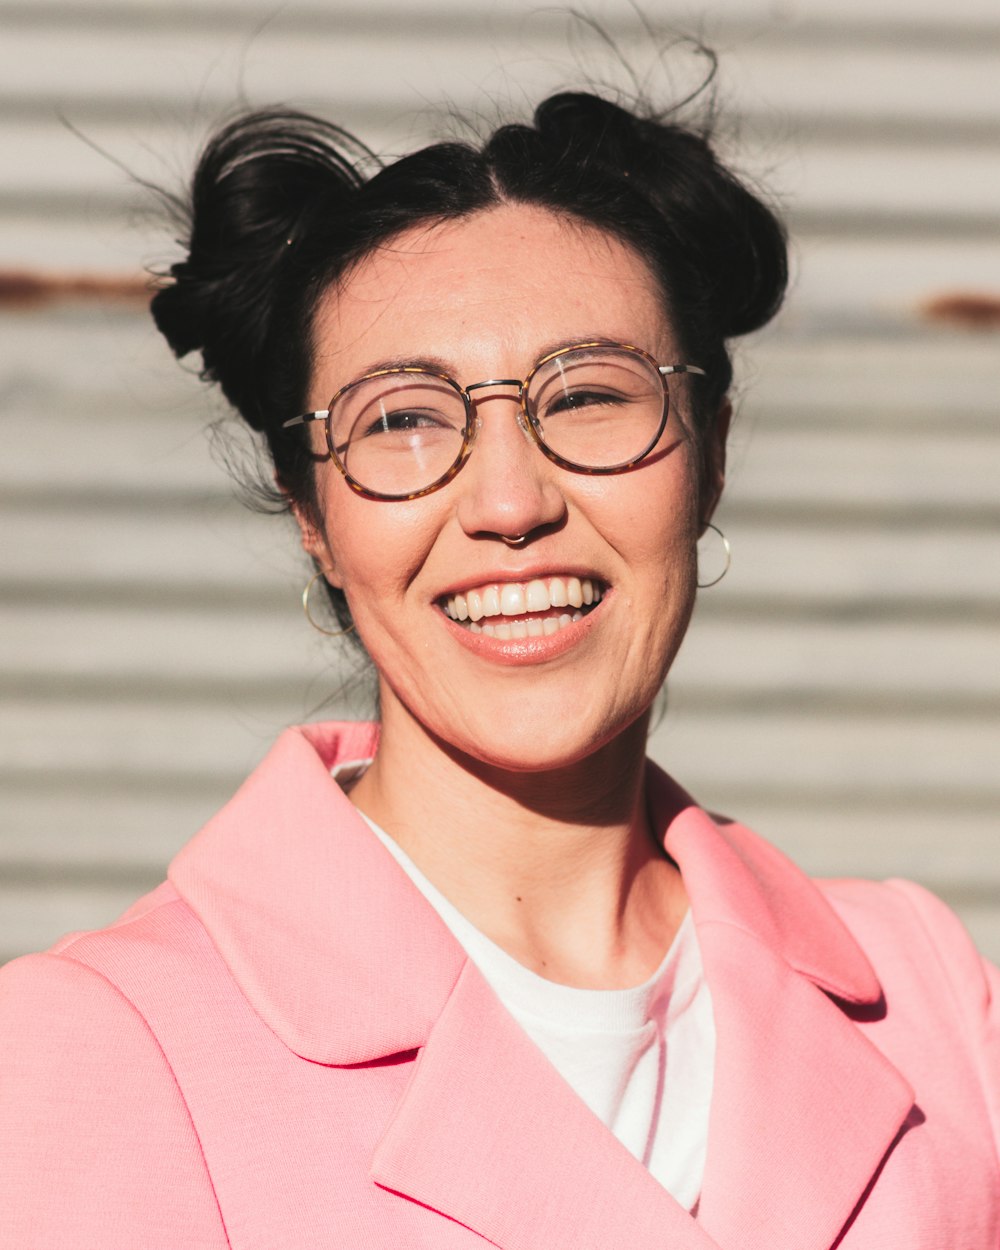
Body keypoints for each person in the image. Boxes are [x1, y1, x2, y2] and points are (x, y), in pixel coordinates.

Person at [1, 87, 997, 1249]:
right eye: (402, 420)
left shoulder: (925, 995)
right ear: (310, 511)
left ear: (711, 454)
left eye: (585, 396)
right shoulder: (104, 1047)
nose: (512, 504)